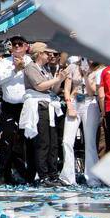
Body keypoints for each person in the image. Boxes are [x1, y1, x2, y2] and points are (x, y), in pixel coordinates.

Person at [21, 42, 66, 184]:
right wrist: (56, 79)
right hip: (39, 107)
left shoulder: (45, 69)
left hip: (49, 105)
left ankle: (53, 173)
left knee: (53, 142)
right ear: (39, 53)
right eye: (47, 53)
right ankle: (43, 175)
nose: (50, 55)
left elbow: (53, 89)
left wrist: (60, 79)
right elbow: (39, 86)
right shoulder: (30, 68)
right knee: (43, 142)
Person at [0, 36, 32, 185]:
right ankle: (4, 173)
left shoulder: (30, 61)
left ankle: (25, 173)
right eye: (14, 44)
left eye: (19, 44)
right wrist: (15, 70)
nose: (16, 47)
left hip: (26, 106)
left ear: (26, 46)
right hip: (9, 106)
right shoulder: (5, 62)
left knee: (24, 140)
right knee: (7, 140)